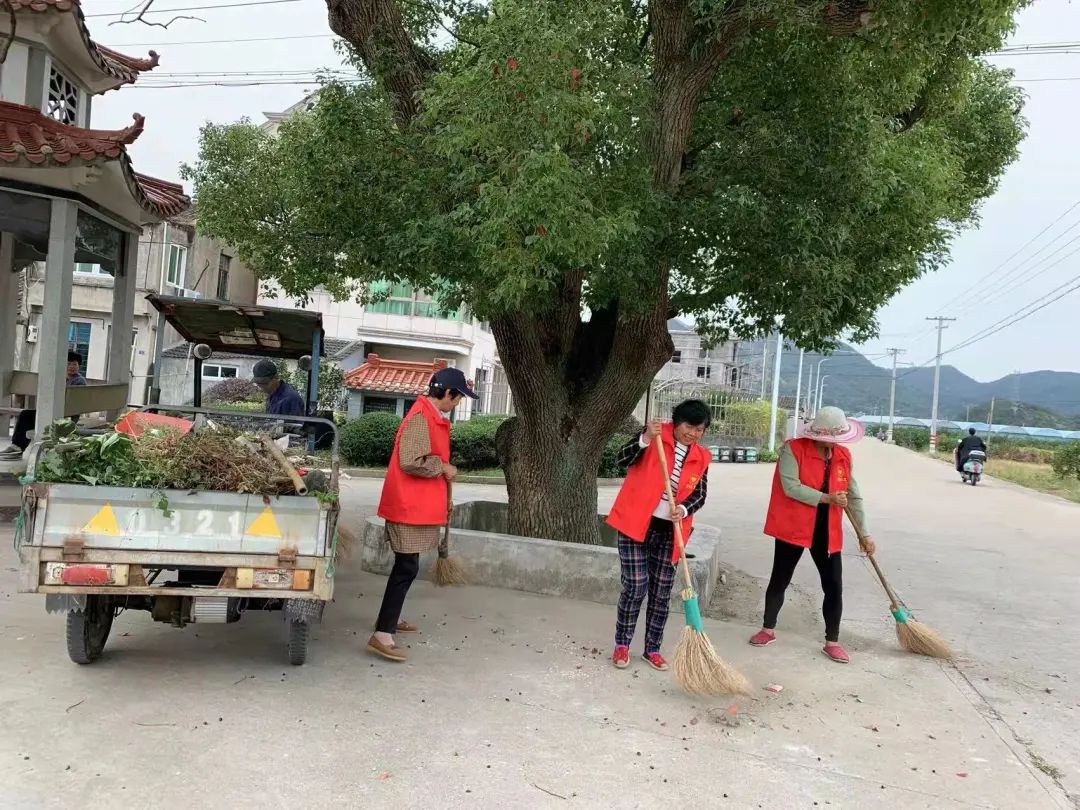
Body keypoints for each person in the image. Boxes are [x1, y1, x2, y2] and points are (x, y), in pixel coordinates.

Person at [367, 366, 477, 662]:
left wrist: (443, 497)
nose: (458, 404)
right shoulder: (421, 418)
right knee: (407, 567)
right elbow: (410, 461)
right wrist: (443, 467)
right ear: (448, 393)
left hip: (418, 505)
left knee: (406, 566)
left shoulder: (431, 417)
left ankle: (391, 619)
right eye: (458, 398)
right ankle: (382, 634)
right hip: (407, 506)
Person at [751, 406, 875, 664]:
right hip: (793, 525)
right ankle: (768, 629)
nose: (830, 444)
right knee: (780, 578)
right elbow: (790, 486)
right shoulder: (793, 449)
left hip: (827, 528)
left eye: (835, 440)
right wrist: (826, 497)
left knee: (833, 585)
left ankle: (832, 641)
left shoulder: (843, 455)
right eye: (827, 439)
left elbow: (853, 495)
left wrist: (865, 533)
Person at [606, 399, 712, 672]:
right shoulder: (653, 436)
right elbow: (622, 459)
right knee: (636, 586)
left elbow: (700, 494)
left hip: (671, 531)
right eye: (689, 426)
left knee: (661, 593)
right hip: (636, 524)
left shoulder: (702, 457)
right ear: (676, 423)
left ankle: (652, 648)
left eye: (699, 429)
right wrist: (643, 438)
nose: (693, 433)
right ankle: (622, 644)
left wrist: (685, 509)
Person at [1, 351, 86, 458]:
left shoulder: (79, 381)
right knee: (25, 414)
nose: (71, 367)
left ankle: (17, 448)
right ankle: (16, 447)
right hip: (54, 411)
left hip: (64, 416)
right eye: (68, 364)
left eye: (74, 364)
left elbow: (70, 402)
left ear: (79, 366)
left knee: (27, 416)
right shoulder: (60, 378)